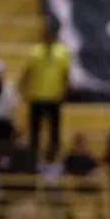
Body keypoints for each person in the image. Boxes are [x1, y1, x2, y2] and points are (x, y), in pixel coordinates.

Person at [20, 25, 71, 158]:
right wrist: (23, 88)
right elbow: (28, 71)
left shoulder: (62, 52)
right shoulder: (35, 51)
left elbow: (65, 74)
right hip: (37, 96)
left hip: (54, 96)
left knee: (54, 129)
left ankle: (53, 153)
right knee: (34, 129)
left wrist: (65, 91)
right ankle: (33, 153)